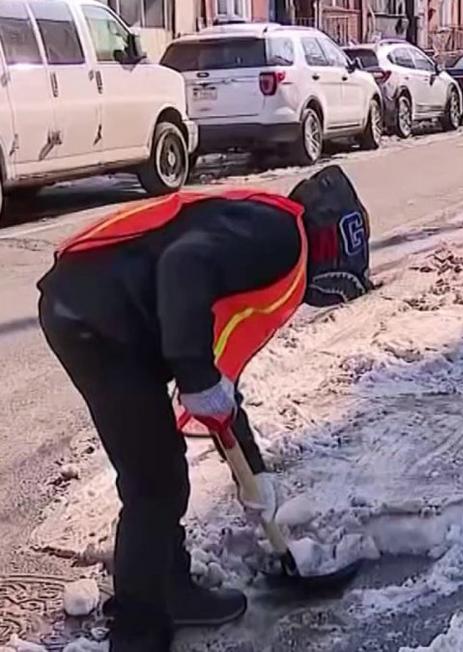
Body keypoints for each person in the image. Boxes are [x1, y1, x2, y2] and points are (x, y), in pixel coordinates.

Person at [38, 166, 371, 651]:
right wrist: (194, 373)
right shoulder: (281, 241)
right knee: (154, 483)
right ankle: (138, 633)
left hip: (97, 314)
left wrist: (252, 473)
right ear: (332, 253)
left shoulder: (267, 229)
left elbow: (220, 378)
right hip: (98, 320)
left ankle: (169, 591)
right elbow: (183, 264)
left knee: (159, 472)